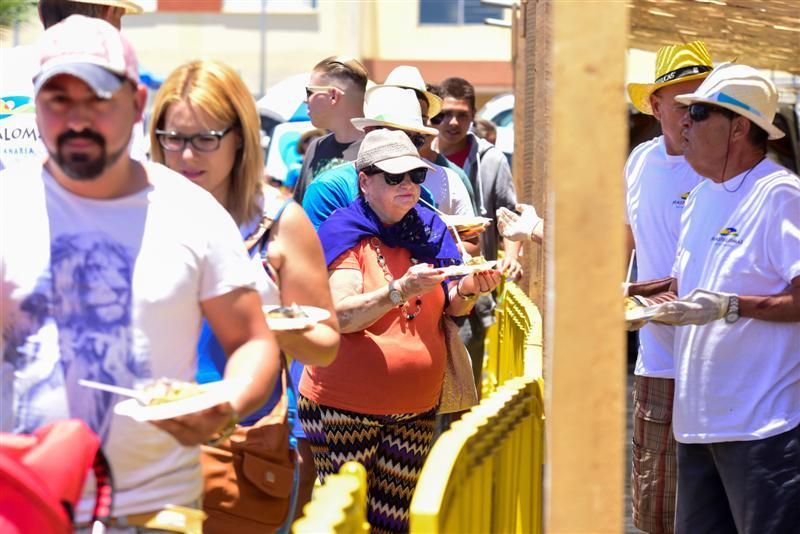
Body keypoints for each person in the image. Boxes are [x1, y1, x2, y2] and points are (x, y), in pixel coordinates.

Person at [0, 15, 280, 530]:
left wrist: (229, 401)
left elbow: (252, 340)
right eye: (58, 99)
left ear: (135, 104)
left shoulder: (191, 213)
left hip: (155, 511)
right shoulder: (5, 205)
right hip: (21, 505)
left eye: (97, 99)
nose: (77, 118)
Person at [149, 59, 340, 525]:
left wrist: (269, 322)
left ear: (239, 136)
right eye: (173, 139)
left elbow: (327, 344)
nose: (187, 156)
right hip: (144, 450)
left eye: (205, 140)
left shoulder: (279, 222)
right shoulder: (141, 212)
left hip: (240, 452)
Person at [298, 129, 501, 533]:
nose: (407, 185)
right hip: (344, 408)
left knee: (392, 524)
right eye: (394, 177)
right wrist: (398, 290)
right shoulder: (345, 232)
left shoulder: (431, 228)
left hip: (416, 407)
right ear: (364, 181)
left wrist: (470, 289)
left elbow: (452, 307)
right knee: (349, 521)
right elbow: (339, 316)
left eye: (414, 175)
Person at [629, 62, 800, 533]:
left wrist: (730, 306)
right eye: (684, 111)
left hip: (762, 428)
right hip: (697, 424)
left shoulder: (779, 193)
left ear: (740, 127)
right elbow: (684, 287)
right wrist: (626, 297)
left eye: (699, 112)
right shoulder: (703, 196)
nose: (685, 122)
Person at [619, 41, 713, 534]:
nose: (695, 115)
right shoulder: (639, 163)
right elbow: (626, 241)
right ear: (655, 105)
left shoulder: (727, 169)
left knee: (713, 508)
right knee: (655, 504)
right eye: (684, 103)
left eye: (706, 103)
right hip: (658, 357)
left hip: (723, 361)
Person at [301, 85, 474, 231]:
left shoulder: (422, 196)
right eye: (399, 136)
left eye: (417, 139)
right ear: (369, 132)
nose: (407, 146)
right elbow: (321, 262)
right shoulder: (329, 191)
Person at [0, 0, 144, 171]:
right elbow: (131, 174)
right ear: (109, 12)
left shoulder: (6, 65)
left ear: (40, 13)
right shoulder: (119, 85)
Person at [292, 56, 368, 203]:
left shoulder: (380, 151)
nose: (305, 100)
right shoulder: (316, 148)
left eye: (310, 92)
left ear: (333, 96)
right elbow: (300, 211)